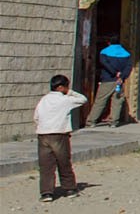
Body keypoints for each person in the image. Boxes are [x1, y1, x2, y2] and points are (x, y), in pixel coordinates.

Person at [35, 74, 87, 203]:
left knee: (46, 165)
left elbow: (36, 117)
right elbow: (83, 99)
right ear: (61, 87)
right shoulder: (66, 100)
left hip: (43, 135)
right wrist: (69, 92)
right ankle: (69, 188)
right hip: (59, 135)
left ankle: (46, 192)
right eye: (66, 87)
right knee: (63, 162)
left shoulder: (44, 100)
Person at [86, 39, 132, 127]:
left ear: (109, 42)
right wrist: (122, 77)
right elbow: (128, 67)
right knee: (117, 102)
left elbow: (105, 64)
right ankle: (113, 122)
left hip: (108, 80)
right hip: (119, 82)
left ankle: (91, 121)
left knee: (100, 101)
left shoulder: (104, 52)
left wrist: (114, 73)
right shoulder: (126, 53)